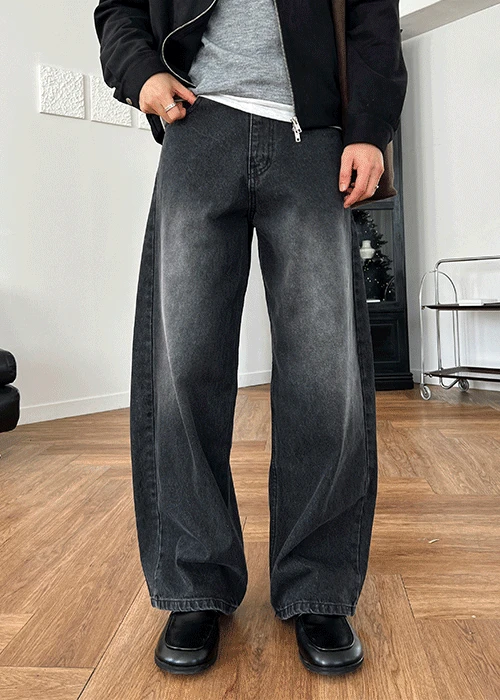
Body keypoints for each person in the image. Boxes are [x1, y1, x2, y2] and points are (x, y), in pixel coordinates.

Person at [94, 0, 407, 676]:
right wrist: (140, 71)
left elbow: (373, 19)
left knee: (324, 371)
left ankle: (318, 585)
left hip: (315, 136)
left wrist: (370, 129)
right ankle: (195, 582)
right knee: (183, 367)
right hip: (197, 124)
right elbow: (119, 7)